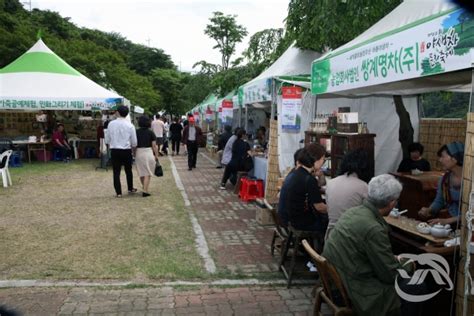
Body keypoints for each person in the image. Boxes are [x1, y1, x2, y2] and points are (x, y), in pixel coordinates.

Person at [323, 174, 412, 316]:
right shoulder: (373, 228)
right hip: (355, 289)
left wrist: (390, 259)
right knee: (415, 287)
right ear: (392, 203)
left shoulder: (353, 211)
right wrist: (409, 264)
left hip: (338, 279)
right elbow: (389, 275)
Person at [285, 143, 328, 236]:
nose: (323, 161)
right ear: (315, 160)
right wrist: (333, 209)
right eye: (323, 159)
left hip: (293, 218)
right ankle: (320, 249)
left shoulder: (297, 173)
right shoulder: (309, 179)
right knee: (329, 223)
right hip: (303, 222)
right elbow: (319, 207)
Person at [325, 149, 370, 238]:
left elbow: (328, 209)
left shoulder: (331, 182)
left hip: (330, 236)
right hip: (350, 237)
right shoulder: (363, 186)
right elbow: (369, 214)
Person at [418, 141, 464, 226]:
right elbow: (439, 201)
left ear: (454, 159)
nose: (440, 160)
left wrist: (448, 221)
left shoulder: (470, 182)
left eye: (443, 156)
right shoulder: (445, 179)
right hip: (451, 222)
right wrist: (429, 210)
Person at [105, 106, 138, 198]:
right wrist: (133, 151)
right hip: (126, 150)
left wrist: (109, 145)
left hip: (115, 149)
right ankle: (130, 188)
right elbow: (134, 142)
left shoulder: (111, 124)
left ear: (118, 113)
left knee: (116, 171)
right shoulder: (130, 125)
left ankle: (118, 192)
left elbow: (107, 139)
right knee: (128, 170)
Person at [277, 148, 303, 227]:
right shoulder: (299, 176)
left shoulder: (293, 173)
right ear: (298, 163)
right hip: (290, 221)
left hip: (285, 218)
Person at [135, 115, 159, 197]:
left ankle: (144, 188)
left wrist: (134, 153)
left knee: (142, 172)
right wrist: (156, 155)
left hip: (139, 152)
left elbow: (134, 145)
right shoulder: (150, 132)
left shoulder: (136, 132)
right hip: (148, 152)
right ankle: (145, 190)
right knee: (148, 172)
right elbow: (154, 145)